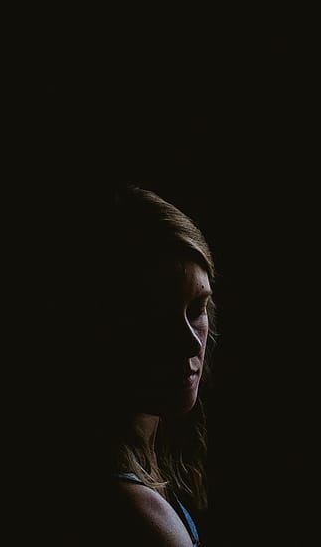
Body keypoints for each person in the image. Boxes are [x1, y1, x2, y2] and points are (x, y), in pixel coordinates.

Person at [65, 183, 219, 546]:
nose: (190, 342)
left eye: (197, 309)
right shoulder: (134, 515)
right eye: (158, 318)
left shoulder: (161, 441)